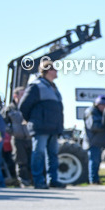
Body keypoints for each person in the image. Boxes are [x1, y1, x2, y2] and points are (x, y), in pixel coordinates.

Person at [18, 59, 65, 189]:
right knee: (38, 153)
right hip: (40, 127)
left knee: (53, 155)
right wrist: (33, 119)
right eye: (54, 69)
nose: (56, 71)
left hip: (53, 127)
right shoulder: (36, 86)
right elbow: (23, 105)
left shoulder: (54, 88)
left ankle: (53, 180)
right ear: (48, 70)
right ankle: (38, 181)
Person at [5, 88, 33, 187]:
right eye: (22, 94)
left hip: (29, 137)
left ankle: (32, 181)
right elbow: (2, 123)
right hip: (17, 138)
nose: (24, 96)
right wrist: (12, 131)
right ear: (15, 96)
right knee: (21, 161)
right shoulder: (9, 109)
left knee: (31, 161)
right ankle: (23, 181)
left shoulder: (28, 107)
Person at [83, 95, 105, 184]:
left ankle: (95, 179)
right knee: (94, 161)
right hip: (92, 142)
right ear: (97, 104)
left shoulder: (100, 113)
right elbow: (93, 126)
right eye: (102, 105)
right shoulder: (91, 112)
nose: (104, 107)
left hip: (98, 142)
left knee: (97, 161)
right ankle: (93, 180)